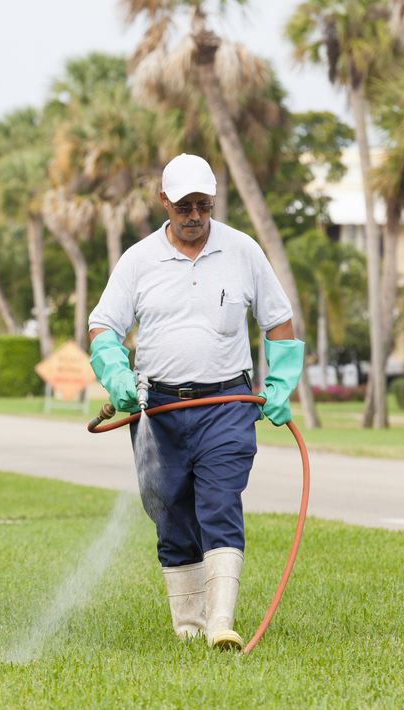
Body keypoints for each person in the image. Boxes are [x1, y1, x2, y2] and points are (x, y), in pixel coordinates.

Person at [87, 153, 304, 651]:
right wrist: (115, 372)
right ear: (164, 201)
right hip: (159, 411)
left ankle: (221, 624)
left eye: (204, 206)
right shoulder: (138, 260)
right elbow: (104, 325)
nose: (195, 216)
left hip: (227, 402)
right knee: (171, 511)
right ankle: (187, 625)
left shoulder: (242, 251)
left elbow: (279, 320)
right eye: (184, 205)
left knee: (219, 502)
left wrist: (280, 382)